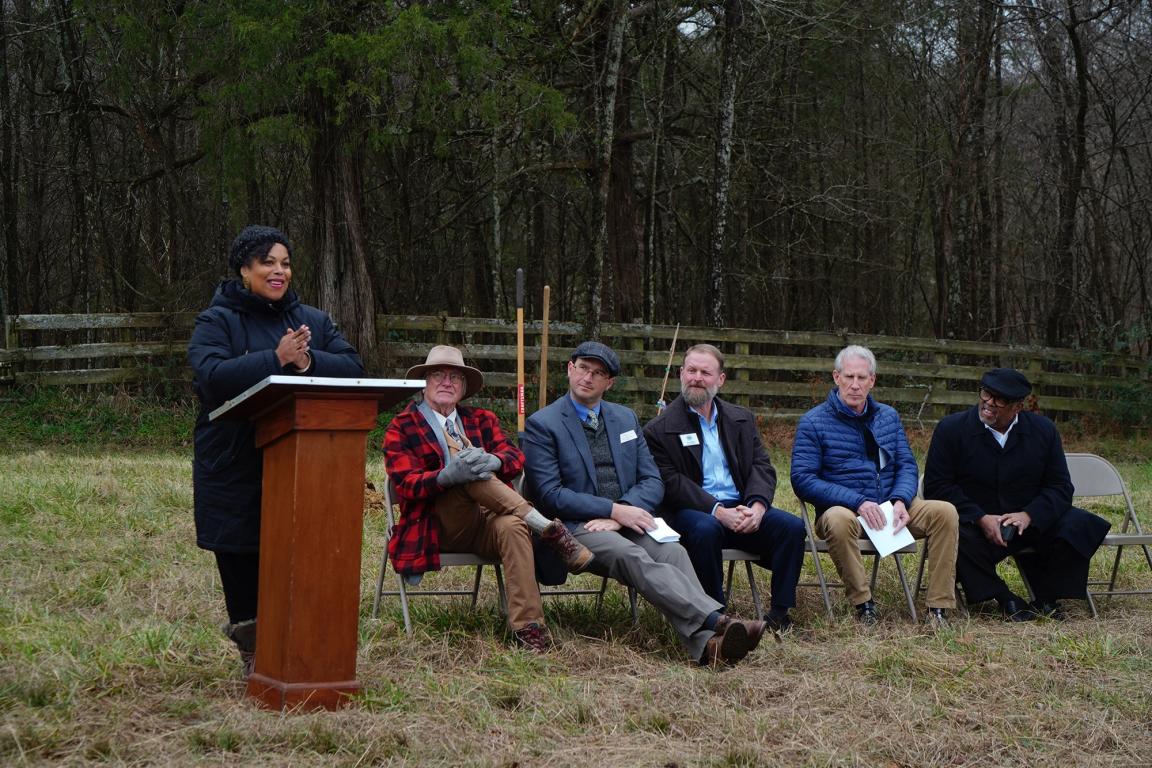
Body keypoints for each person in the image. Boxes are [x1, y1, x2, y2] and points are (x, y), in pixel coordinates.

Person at [522, 341, 767, 666]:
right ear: (570, 369)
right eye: (582, 368)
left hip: (626, 519)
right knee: (631, 554)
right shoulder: (543, 424)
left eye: (598, 373)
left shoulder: (625, 419)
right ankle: (716, 620)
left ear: (609, 383)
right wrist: (611, 510)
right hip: (575, 528)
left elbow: (653, 480)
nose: (587, 378)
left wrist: (622, 513)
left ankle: (710, 649)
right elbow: (550, 494)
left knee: (673, 551)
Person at [188, 225, 364, 676]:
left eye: (284, 263)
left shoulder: (313, 322)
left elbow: (353, 367)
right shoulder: (217, 320)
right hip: (234, 459)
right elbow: (211, 376)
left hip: (305, 462)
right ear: (244, 269)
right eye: (267, 262)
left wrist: (308, 360)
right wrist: (276, 358)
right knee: (242, 550)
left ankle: (303, 646)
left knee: (301, 550)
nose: (278, 271)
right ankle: (253, 648)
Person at [384, 345, 594, 652]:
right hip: (437, 526)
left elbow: (514, 456)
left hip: (487, 522)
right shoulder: (403, 426)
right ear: (425, 383)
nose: (446, 382)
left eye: (455, 376)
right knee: (466, 469)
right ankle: (547, 528)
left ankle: (529, 629)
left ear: (464, 386)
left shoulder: (481, 419)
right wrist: (445, 476)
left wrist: (495, 461)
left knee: (510, 524)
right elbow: (405, 483)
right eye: (438, 375)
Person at [790, 345, 958, 627]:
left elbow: (906, 464)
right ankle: (864, 604)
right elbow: (803, 479)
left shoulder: (888, 417)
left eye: (862, 378)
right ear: (836, 377)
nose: (855, 385)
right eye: (849, 377)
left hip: (892, 506)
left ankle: (938, 608)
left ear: (872, 381)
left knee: (945, 512)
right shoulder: (813, 422)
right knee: (837, 519)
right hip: (845, 510)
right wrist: (857, 501)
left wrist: (901, 500)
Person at [923, 368, 1111, 620]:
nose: (988, 403)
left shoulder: (1044, 431)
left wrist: (1029, 515)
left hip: (1028, 523)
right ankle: (1004, 597)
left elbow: (1061, 487)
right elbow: (937, 486)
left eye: (999, 400)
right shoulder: (951, 429)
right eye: (986, 394)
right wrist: (981, 517)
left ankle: (1047, 596)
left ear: (1018, 406)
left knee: (1080, 524)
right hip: (976, 523)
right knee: (953, 534)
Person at [643, 344, 805, 631]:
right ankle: (716, 616)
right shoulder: (660, 428)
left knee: (790, 527)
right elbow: (671, 482)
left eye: (705, 372)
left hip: (740, 506)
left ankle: (780, 613)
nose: (697, 378)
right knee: (706, 528)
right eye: (691, 370)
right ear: (681, 373)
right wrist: (717, 511)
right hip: (691, 511)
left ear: (720, 379)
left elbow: (761, 466)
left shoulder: (740, 418)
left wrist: (757, 507)